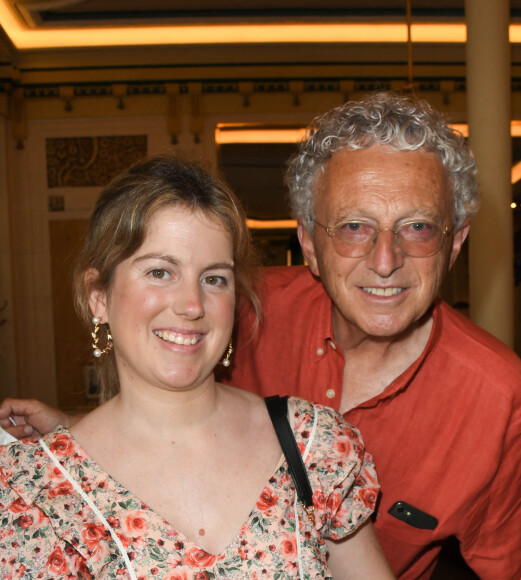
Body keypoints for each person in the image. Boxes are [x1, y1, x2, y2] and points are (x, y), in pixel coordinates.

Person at [1, 92, 521, 579]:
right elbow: (166, 392)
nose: (386, 260)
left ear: (456, 242)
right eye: (354, 227)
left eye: (417, 227)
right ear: (311, 244)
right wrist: (76, 448)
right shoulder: (244, 308)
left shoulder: (500, 403)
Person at [0, 155, 394, 579]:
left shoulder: (312, 444)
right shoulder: (35, 493)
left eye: (213, 279)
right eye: (159, 271)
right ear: (99, 296)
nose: (191, 305)